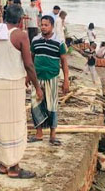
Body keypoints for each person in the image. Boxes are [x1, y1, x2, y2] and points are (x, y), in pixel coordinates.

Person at [0, 5, 43, 179]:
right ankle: (14, 167)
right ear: (20, 20)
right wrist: (37, 86)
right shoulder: (21, 35)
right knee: (16, 123)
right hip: (13, 83)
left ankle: (4, 163)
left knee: (3, 122)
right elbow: (28, 64)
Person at [29, 15, 69, 146]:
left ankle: (52, 135)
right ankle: (39, 134)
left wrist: (66, 80)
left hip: (52, 77)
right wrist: (28, 75)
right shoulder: (35, 40)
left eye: (46, 25)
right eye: (42, 25)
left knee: (52, 105)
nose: (43, 27)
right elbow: (31, 58)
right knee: (35, 104)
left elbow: (64, 61)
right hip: (37, 77)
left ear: (52, 26)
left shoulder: (59, 42)